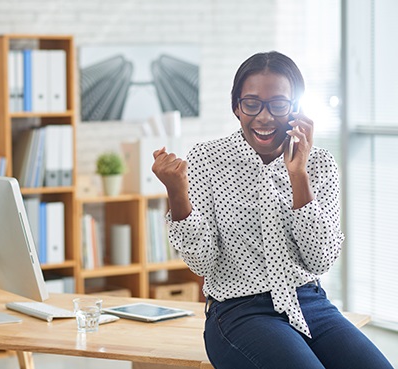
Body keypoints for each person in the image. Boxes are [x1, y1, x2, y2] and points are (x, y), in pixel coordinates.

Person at [152, 51, 393, 369]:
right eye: (252, 103)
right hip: (239, 311)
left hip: (310, 302)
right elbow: (202, 262)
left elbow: (320, 259)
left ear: (296, 108)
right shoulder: (206, 159)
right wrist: (177, 194)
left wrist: (298, 175)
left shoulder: (320, 163)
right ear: (237, 106)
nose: (264, 117)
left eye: (278, 104)